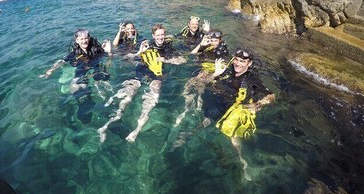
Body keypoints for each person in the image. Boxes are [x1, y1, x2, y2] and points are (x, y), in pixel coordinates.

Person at [98, 24, 186, 142]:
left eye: (162, 35)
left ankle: (137, 129)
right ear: (153, 36)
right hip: (141, 72)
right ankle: (109, 123)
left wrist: (165, 60)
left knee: (151, 99)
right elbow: (126, 58)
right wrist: (139, 53)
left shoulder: (168, 48)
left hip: (156, 75)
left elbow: (183, 60)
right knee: (128, 96)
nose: (160, 37)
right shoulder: (145, 44)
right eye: (158, 35)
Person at [203, 48, 275, 180]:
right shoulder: (227, 71)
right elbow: (205, 83)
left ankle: (243, 162)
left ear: (249, 64)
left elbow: (271, 95)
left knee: (232, 137)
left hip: (237, 108)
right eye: (236, 59)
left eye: (242, 61)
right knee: (203, 122)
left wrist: (258, 104)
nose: (238, 63)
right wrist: (215, 73)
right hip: (220, 103)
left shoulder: (252, 79)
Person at [39, 29, 112, 123]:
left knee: (101, 79)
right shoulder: (74, 54)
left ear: (89, 38)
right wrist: (50, 71)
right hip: (82, 70)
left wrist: (109, 52)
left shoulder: (97, 50)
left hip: (96, 68)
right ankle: (83, 102)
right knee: (76, 84)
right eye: (81, 39)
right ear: (77, 40)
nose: (84, 41)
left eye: (86, 38)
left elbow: (109, 58)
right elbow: (61, 61)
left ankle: (105, 105)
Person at [174, 29, 230, 127]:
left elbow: (224, 66)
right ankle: (185, 108)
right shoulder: (206, 47)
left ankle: (197, 109)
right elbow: (191, 54)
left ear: (220, 40)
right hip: (204, 70)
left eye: (216, 41)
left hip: (213, 72)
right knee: (189, 83)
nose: (213, 43)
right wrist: (201, 44)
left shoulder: (223, 52)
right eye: (211, 40)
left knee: (200, 85)